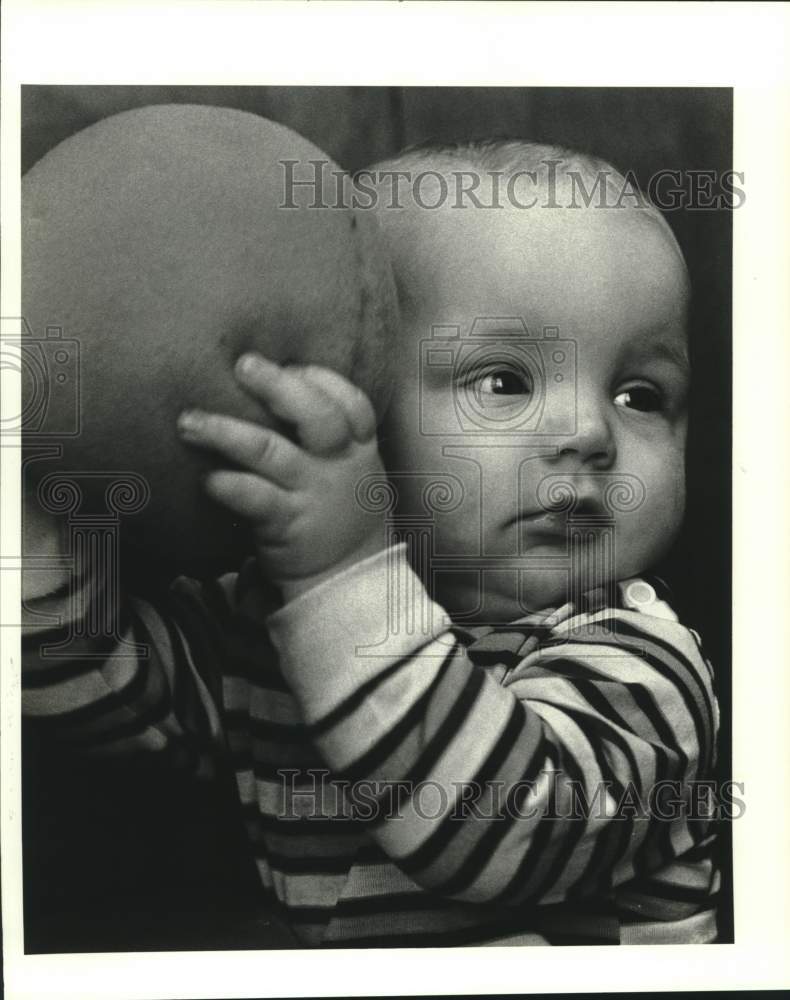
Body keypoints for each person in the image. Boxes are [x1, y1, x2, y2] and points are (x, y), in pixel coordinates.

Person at [23, 141, 720, 947]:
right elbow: (90, 682)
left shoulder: (641, 663)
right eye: (505, 381)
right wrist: (30, 492)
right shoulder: (272, 623)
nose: (590, 433)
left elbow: (497, 831)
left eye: (642, 394)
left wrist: (345, 574)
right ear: (362, 403)